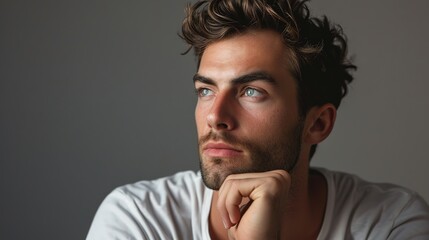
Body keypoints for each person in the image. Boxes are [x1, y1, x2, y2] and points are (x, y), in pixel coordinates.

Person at [87, 0, 429, 239]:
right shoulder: (140, 218)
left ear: (318, 124)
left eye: (251, 91)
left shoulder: (389, 222)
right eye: (206, 91)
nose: (216, 117)